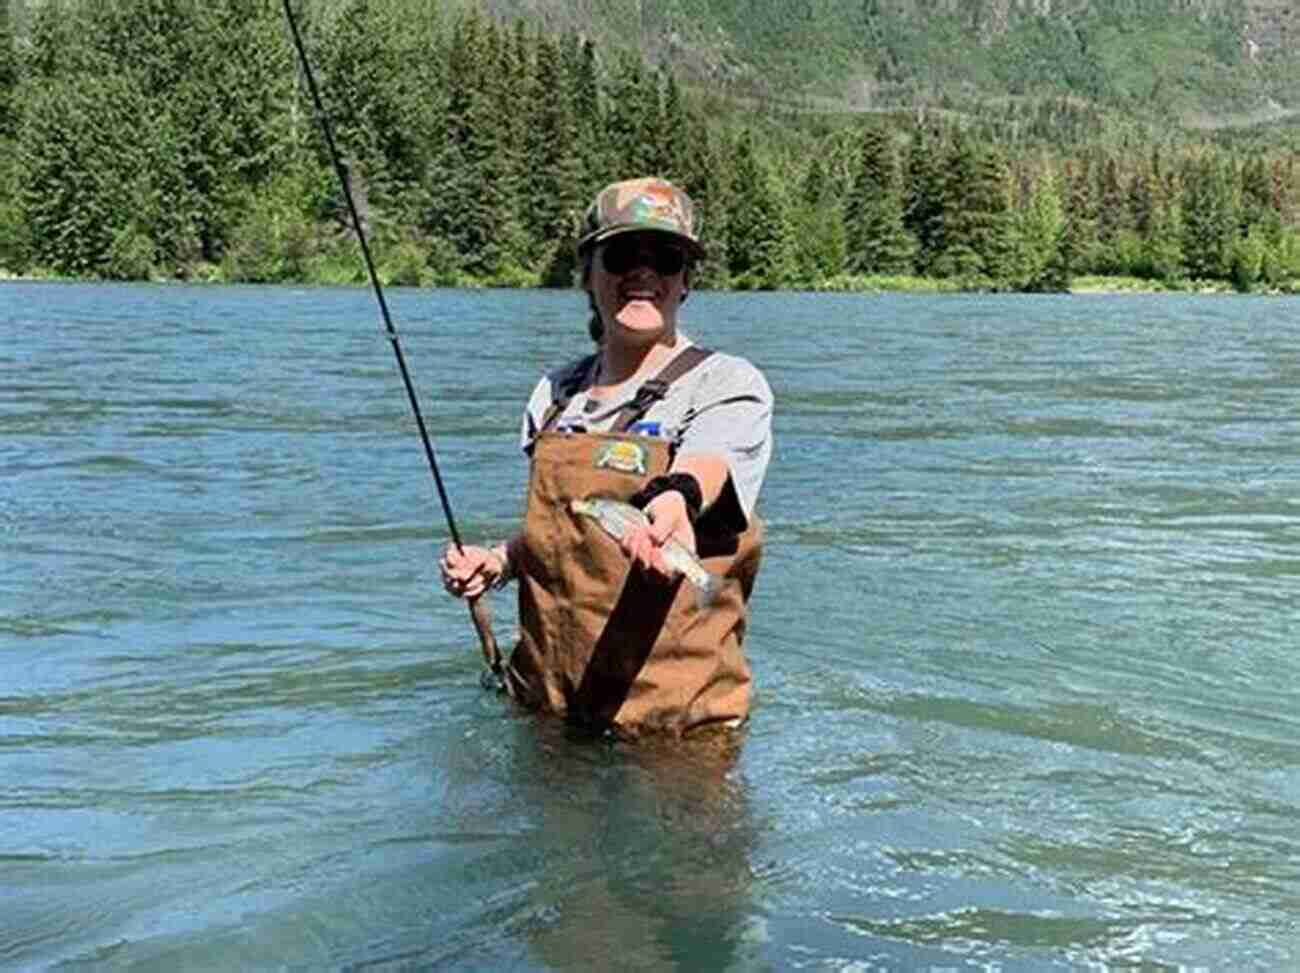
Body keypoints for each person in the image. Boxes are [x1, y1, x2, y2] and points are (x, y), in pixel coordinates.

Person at [441, 176, 774, 739]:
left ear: (686, 281)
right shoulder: (554, 394)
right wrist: (499, 561)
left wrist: (674, 503)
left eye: (666, 258)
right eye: (622, 255)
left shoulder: (726, 383)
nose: (643, 273)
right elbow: (564, 532)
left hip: (680, 733)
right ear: (589, 275)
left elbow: (709, 462)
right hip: (547, 714)